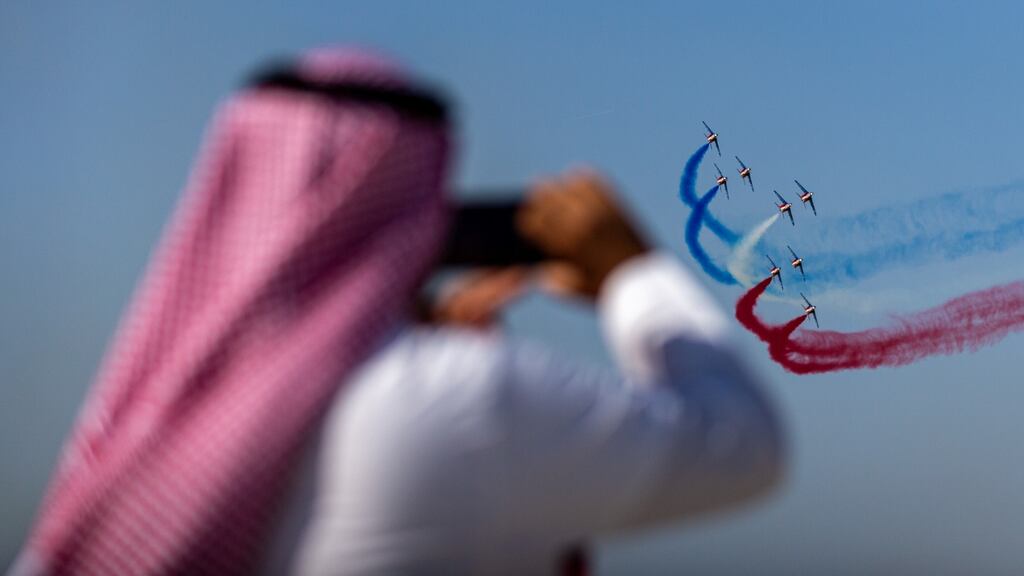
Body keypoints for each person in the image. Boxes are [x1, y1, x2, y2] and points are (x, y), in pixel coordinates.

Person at [10, 48, 783, 576]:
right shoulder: (448, 398)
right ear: (412, 204)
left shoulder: (141, 424)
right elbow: (743, 448)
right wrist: (631, 274)